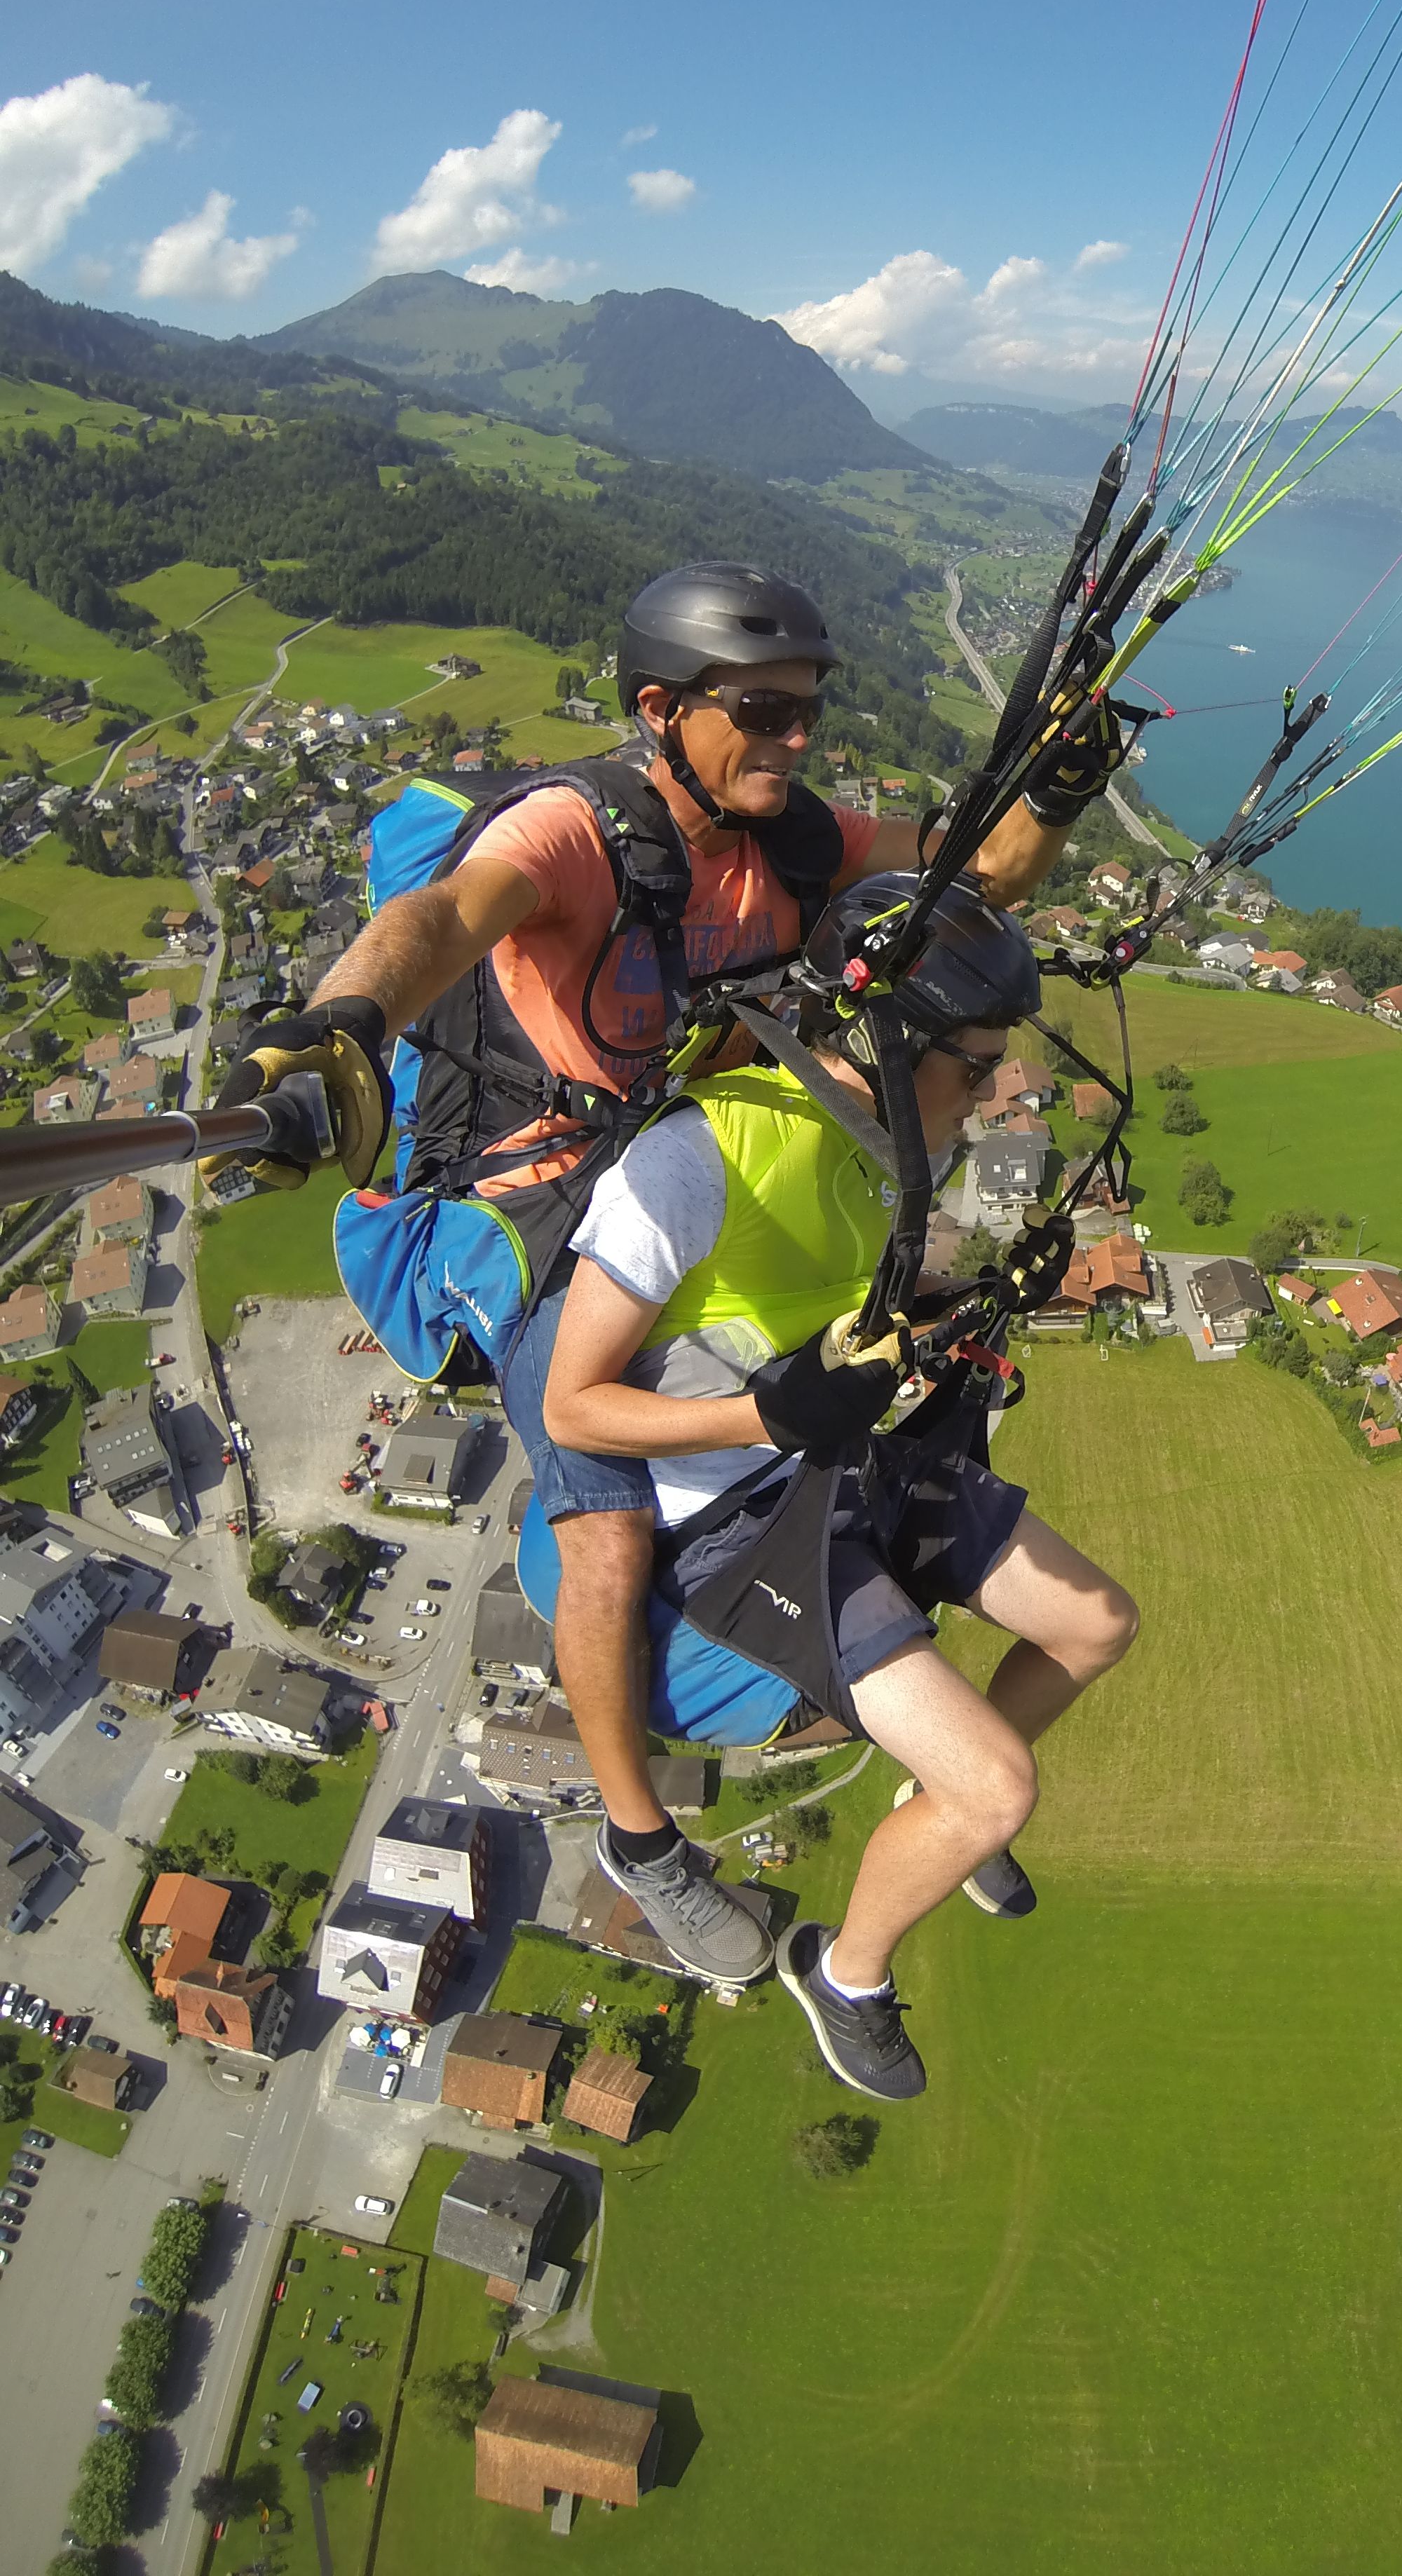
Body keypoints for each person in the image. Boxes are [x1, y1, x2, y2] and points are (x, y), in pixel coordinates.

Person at [224, 561, 1119, 1990]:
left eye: (807, 710)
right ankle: (643, 1843)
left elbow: (965, 881)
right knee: (606, 1528)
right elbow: (448, 919)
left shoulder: (793, 837)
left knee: (898, 1358)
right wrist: (339, 1025)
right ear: (662, 707)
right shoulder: (582, 833)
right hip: (527, 1213)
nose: (794, 737)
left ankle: (952, 1782)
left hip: (688, 1164)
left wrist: (1054, 794)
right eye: (761, 709)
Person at [538, 873, 1138, 2099]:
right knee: (1000, 1786)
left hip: (839, 1457)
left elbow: (838, 1310)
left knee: (1095, 1622)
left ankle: (940, 1813)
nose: (989, 1092)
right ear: (893, 1040)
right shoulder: (700, 1159)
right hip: (734, 1515)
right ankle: (848, 1971)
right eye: (974, 1067)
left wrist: (984, 1293)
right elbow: (570, 1405)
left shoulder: (887, 1151)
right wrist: (760, 1415)